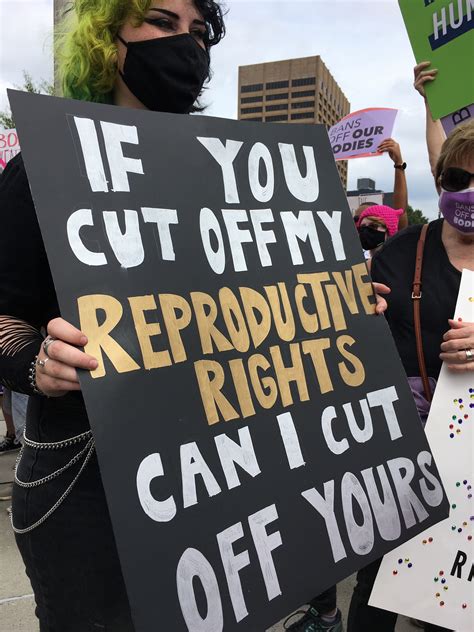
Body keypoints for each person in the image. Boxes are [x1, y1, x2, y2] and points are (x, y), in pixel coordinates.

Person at [0, 1, 225, 630]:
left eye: (199, 32)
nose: (187, 45)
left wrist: (339, 304)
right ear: (107, 39)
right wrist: (38, 364)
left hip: (208, 469)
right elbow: (4, 317)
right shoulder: (43, 164)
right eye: (162, 21)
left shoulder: (217, 172)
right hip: (85, 481)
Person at [347, 120, 474, 632]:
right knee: (377, 578)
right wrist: (356, 310)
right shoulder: (402, 251)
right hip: (400, 443)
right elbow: (352, 338)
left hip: (468, 459)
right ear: (441, 182)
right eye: (458, 178)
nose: (469, 191)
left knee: (454, 591)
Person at [352, 138, 409, 229]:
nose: (361, 222)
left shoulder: (389, 237)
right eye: (356, 219)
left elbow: (400, 211)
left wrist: (398, 163)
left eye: (368, 218)